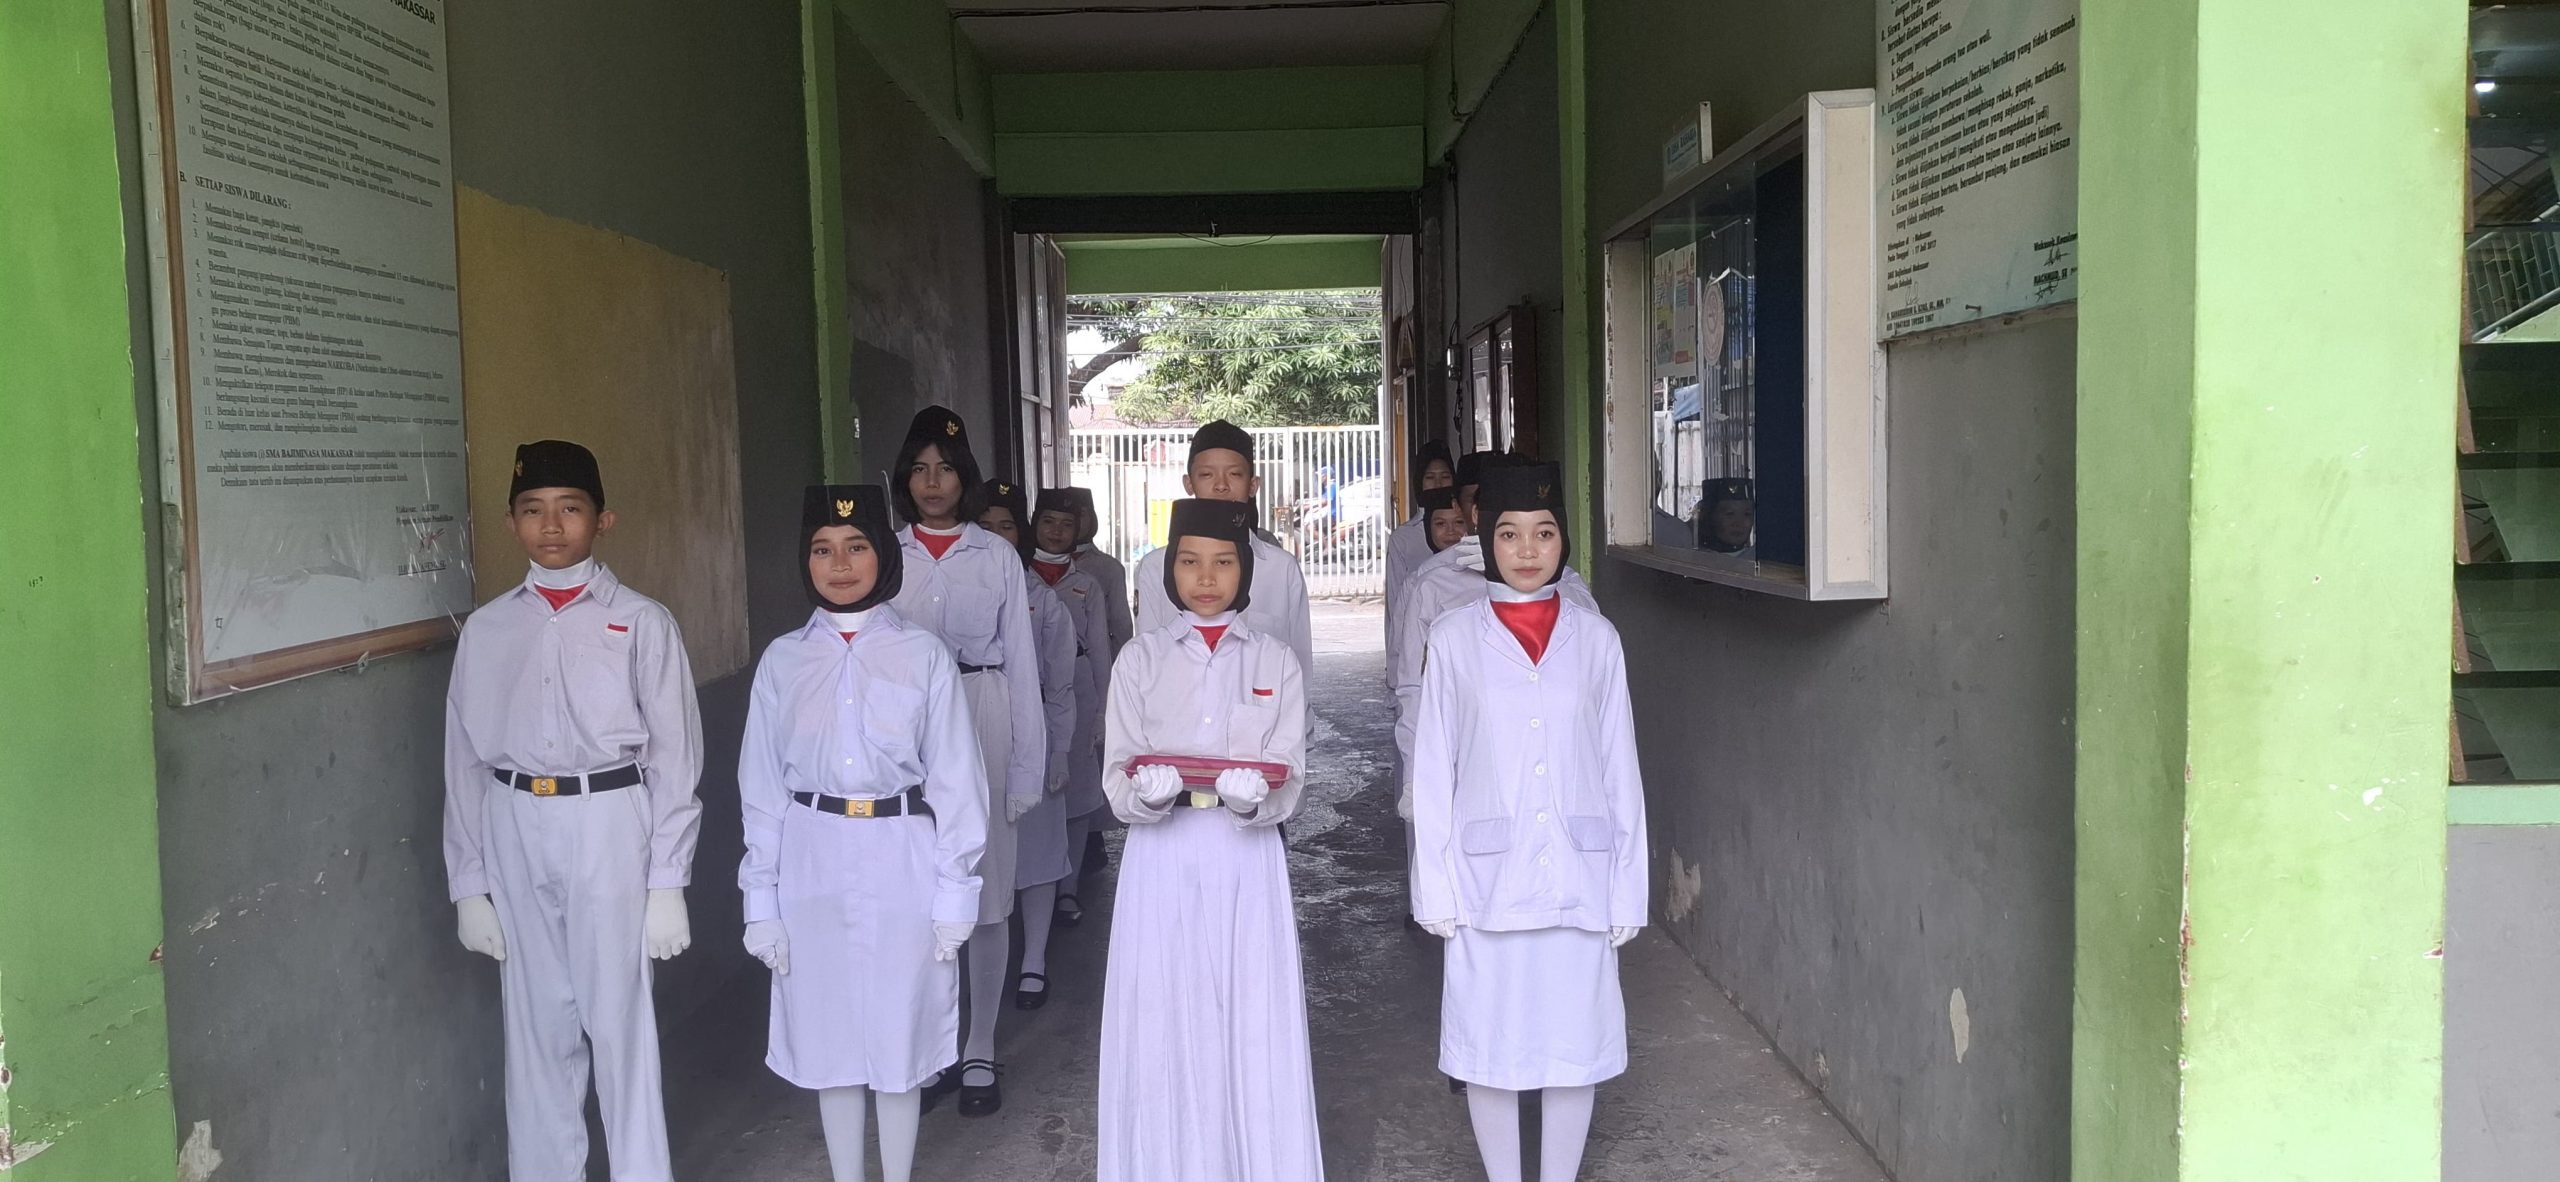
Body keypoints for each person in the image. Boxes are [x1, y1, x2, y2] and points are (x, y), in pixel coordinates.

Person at [442, 439, 702, 1182]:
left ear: (603, 519)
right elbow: (464, 760)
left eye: (570, 509)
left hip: (608, 817)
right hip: (514, 818)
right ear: (510, 523)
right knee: (536, 1028)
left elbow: (676, 758)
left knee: (619, 1023)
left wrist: (667, 879)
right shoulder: (488, 629)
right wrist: (468, 884)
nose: (551, 526)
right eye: (532, 510)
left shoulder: (643, 622)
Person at [738, 484, 987, 1182]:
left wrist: (956, 890)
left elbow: (957, 780)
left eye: (857, 547)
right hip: (811, 854)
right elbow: (761, 788)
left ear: (885, 555)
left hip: (899, 852)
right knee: (830, 1040)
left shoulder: (922, 655)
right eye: (822, 549)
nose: (840, 564)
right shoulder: (783, 660)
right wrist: (761, 899)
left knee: (899, 1037)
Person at [1409, 460, 1647, 1182]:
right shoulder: (1454, 637)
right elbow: (1434, 770)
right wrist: (1434, 887)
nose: (1526, 550)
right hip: (1487, 881)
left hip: (1580, 871)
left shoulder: (1596, 639)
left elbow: (1620, 767)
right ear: (1485, 538)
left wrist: (1628, 887)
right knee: (1491, 1049)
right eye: (1509, 533)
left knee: (1575, 1048)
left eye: (1544, 533)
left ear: (1563, 540)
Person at [1097, 499, 1322, 1182]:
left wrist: (1260, 802)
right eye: (1189, 561)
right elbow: (1116, 773)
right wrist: (1146, 796)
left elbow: (1290, 770)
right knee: (1163, 1014)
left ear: (1245, 570)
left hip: (1245, 858)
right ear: (1169, 570)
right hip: (1160, 857)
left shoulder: (1276, 661)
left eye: (1223, 562)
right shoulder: (1139, 660)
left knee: (1250, 1015)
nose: (1205, 577)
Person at [885, 406, 1043, 1116]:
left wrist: (1025, 770)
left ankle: (979, 1045)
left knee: (985, 888)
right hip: (906, 727)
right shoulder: (884, 552)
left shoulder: (997, 556)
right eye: (920, 469)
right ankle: (934, 1046)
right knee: (919, 891)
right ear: (904, 478)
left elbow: (1025, 670)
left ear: (965, 477)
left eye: (945, 469)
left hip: (982, 710)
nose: (932, 481)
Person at [1390, 453, 1596, 816]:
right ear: (1471, 512)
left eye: (1540, 530)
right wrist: (1415, 776)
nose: (1525, 544)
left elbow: (1593, 677)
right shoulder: (1433, 585)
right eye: (1503, 522)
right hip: (1466, 774)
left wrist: (1528, 582)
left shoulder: (1570, 588)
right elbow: (1413, 688)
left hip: (1555, 774)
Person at [975, 478, 1076, 1010]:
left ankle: (1033, 959)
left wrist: (1058, 750)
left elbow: (1059, 685)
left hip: (1031, 734)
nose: (996, 536)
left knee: (1037, 852)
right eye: (985, 526)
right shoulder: (959, 591)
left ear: (1022, 534)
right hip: (973, 737)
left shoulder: (1045, 601)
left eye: (1007, 526)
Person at [1132, 421, 1315, 705]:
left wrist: (1298, 727)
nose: (1221, 485)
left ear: (1253, 485)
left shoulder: (1282, 569)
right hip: (1179, 721)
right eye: (1207, 474)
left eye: (1234, 474)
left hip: (1262, 727)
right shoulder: (1154, 568)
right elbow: (1146, 661)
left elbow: (1299, 663)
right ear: (1188, 483)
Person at [1029, 488, 1114, 931]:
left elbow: (1100, 650)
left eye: (1066, 524)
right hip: (1028, 687)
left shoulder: (1087, 584)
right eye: (1048, 522)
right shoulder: (1015, 577)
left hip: (1078, 687)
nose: (1057, 531)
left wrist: (1103, 710)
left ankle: (1068, 888)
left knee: (1077, 795)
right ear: (1034, 526)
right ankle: (1031, 885)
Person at [1383, 441, 1457, 675]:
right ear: (1419, 482)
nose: (1438, 484)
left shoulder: (1465, 532)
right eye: (1430, 477)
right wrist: (1395, 666)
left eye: (1445, 477)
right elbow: (1395, 604)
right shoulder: (1403, 538)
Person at [1694, 477, 1755, 557]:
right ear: (1710, 516)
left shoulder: (1759, 559)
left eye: (1747, 514)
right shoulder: (1693, 559)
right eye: (1730, 514)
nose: (1738, 523)